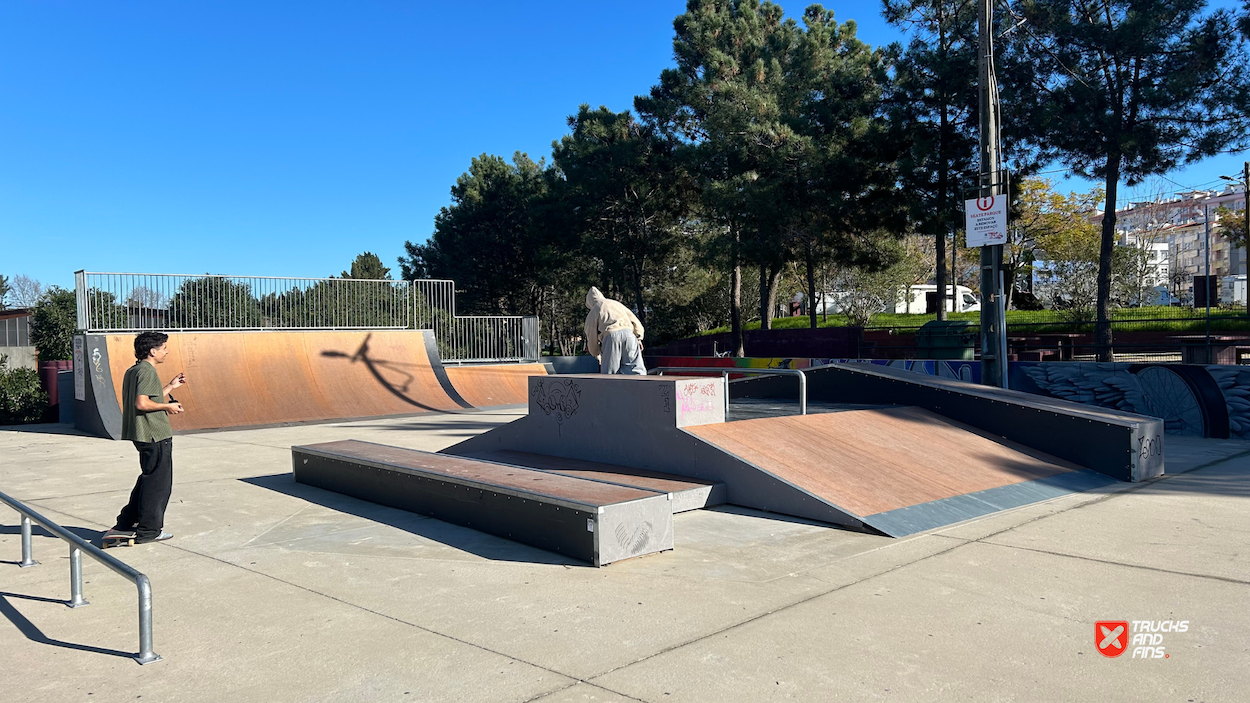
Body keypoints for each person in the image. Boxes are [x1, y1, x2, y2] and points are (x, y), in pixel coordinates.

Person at [102, 331, 186, 545]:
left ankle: (126, 522)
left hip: (142, 434)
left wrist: (170, 386)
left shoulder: (135, 370)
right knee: (158, 485)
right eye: (164, 348)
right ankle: (149, 530)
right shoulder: (147, 371)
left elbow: (149, 397)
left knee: (148, 478)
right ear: (153, 351)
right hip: (154, 434)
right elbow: (142, 403)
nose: (166, 352)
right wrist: (168, 406)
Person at [584, 286, 647, 375]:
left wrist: (596, 352)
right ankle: (643, 387)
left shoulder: (594, 310)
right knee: (635, 369)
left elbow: (591, 335)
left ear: (590, 303)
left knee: (610, 373)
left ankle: (611, 389)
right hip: (629, 334)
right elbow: (634, 320)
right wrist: (639, 338)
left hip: (611, 336)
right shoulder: (616, 304)